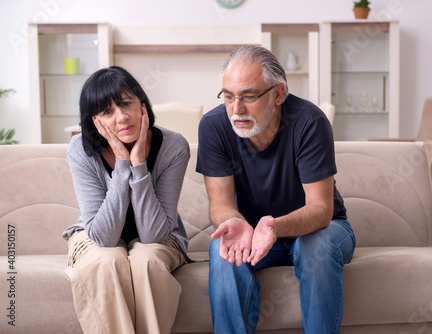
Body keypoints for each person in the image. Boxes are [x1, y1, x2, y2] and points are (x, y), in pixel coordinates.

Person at [196, 46, 356, 334]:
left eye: (248, 96)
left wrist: (272, 226)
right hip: (253, 235)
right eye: (229, 96)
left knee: (315, 246)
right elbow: (220, 204)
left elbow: (321, 211)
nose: (236, 109)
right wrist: (236, 223)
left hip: (322, 230)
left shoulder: (309, 122)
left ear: (278, 94)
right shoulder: (213, 126)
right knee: (222, 249)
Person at [62, 66, 190, 334]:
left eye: (125, 104)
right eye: (108, 111)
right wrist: (122, 164)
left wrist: (139, 165)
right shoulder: (80, 150)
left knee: (147, 260)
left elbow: (154, 235)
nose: (121, 117)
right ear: (94, 120)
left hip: (161, 234)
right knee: (106, 261)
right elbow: (103, 238)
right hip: (94, 232)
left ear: (142, 104)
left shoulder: (174, 146)